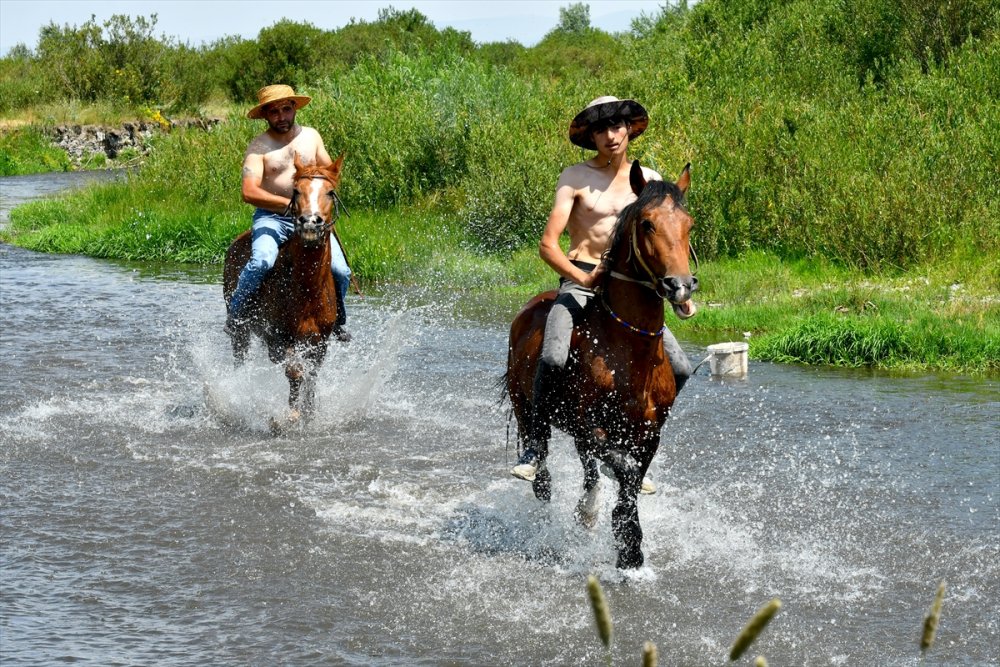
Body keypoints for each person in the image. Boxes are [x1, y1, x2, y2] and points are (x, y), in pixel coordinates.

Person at [511, 96, 693, 486]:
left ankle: (639, 440)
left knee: (679, 366)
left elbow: (669, 239)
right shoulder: (575, 177)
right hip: (583, 277)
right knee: (555, 351)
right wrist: (583, 279)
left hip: (634, 289)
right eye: (601, 129)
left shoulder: (649, 179)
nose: (610, 136)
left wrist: (678, 288)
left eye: (617, 127)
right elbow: (548, 245)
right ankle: (536, 447)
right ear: (591, 136)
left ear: (629, 130)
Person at [226, 84, 352, 342]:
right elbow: (249, 192)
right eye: (274, 112)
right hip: (272, 218)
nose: (281, 116)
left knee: (341, 271)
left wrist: (316, 202)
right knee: (261, 260)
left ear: (295, 108)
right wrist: (290, 204)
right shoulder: (259, 147)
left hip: (311, 217)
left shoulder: (312, 137)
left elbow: (328, 175)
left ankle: (337, 320)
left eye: (286, 109)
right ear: (265, 115)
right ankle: (236, 315)